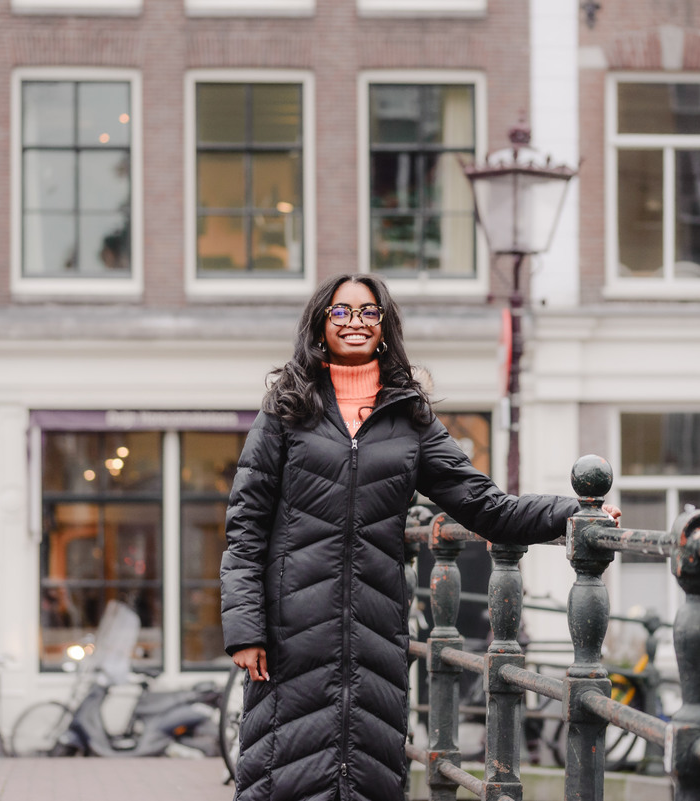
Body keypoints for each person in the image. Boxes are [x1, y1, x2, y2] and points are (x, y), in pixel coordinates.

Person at [220, 273, 620, 801]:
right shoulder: (285, 410)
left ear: (384, 326)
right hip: (292, 631)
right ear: (320, 324)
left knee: (367, 770)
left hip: (374, 632)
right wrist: (246, 628)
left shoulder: (410, 420)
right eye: (341, 312)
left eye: (368, 312)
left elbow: (485, 507)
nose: (355, 322)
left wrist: (573, 510)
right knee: (283, 770)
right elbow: (246, 524)